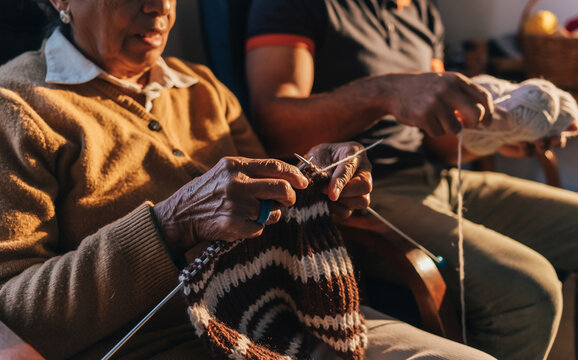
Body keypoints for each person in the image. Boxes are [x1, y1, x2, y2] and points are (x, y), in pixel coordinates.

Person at [0, 0, 497, 359]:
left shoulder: (204, 87)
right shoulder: (17, 108)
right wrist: (170, 225)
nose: (159, 7)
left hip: (283, 316)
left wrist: (317, 188)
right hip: (155, 343)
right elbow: (17, 314)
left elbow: (275, 217)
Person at [243, 0, 578, 359]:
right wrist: (386, 92)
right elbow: (276, 127)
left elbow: (439, 142)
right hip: (364, 191)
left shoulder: (421, 11)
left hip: (438, 176)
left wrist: (500, 138)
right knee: (531, 292)